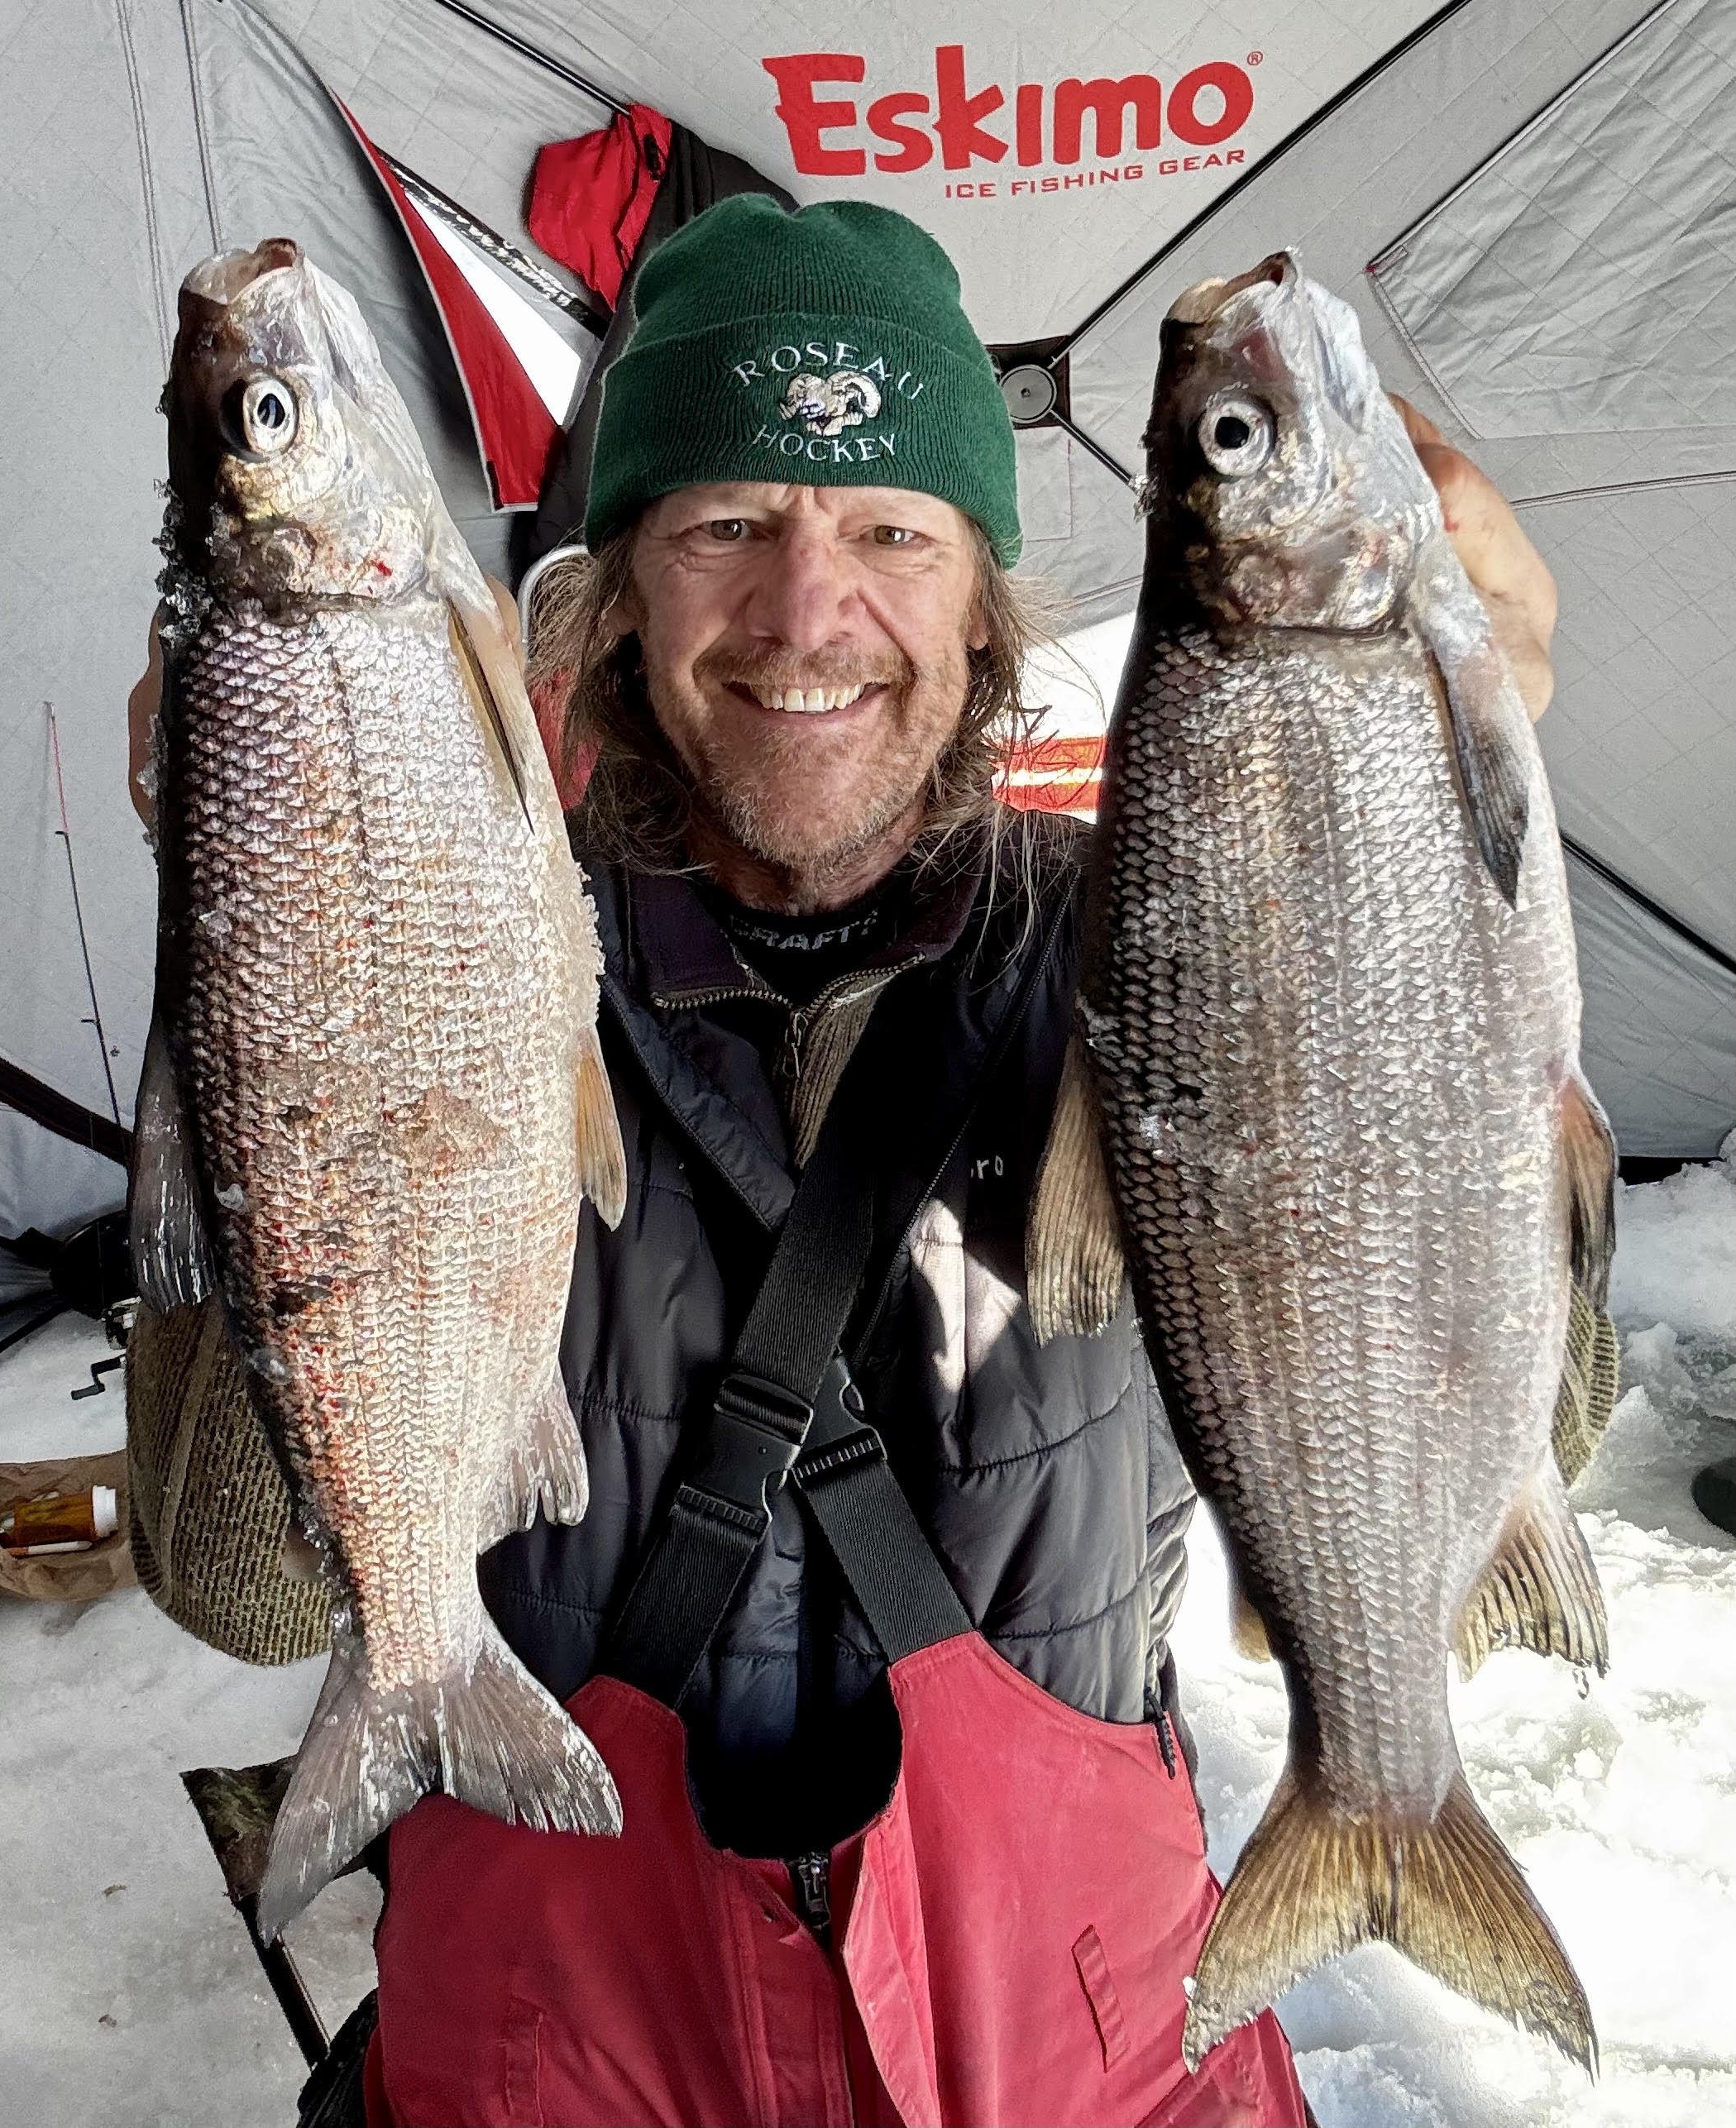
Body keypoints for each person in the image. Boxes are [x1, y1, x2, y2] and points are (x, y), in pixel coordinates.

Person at [134, 196, 1560, 2128]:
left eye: (891, 531)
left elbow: (1547, 1419)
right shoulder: (460, 959)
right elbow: (235, 1581)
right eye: (726, 525)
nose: (809, 614)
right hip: (563, 2055)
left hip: (1062, 2040)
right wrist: (250, 951)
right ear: (611, 587)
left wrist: (1436, 863)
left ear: (985, 599)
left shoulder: (1163, 943)